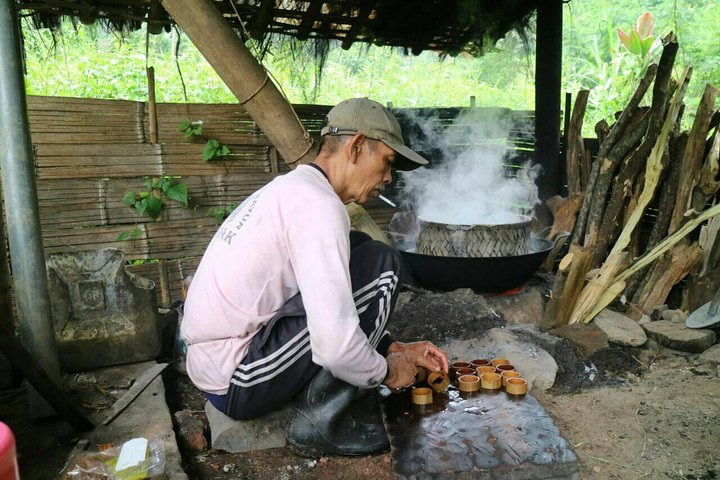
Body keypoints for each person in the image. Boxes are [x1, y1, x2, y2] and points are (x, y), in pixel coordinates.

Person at [181, 98, 449, 456]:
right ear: (355, 147)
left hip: (220, 359)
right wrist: (387, 371)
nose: (388, 177)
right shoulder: (319, 207)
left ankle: (345, 384)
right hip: (236, 376)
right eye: (387, 162)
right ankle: (323, 422)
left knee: (361, 250)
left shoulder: (293, 190)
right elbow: (333, 345)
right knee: (385, 265)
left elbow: (324, 297)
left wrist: (389, 347)